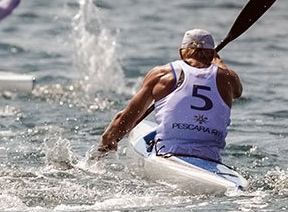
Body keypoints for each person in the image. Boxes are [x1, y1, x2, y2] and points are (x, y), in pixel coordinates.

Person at [98, 29, 242, 161]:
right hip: (210, 158)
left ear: (181, 53)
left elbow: (126, 118)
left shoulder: (162, 74)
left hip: (168, 153)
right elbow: (238, 91)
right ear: (212, 54)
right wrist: (218, 61)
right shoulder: (229, 79)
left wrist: (107, 140)